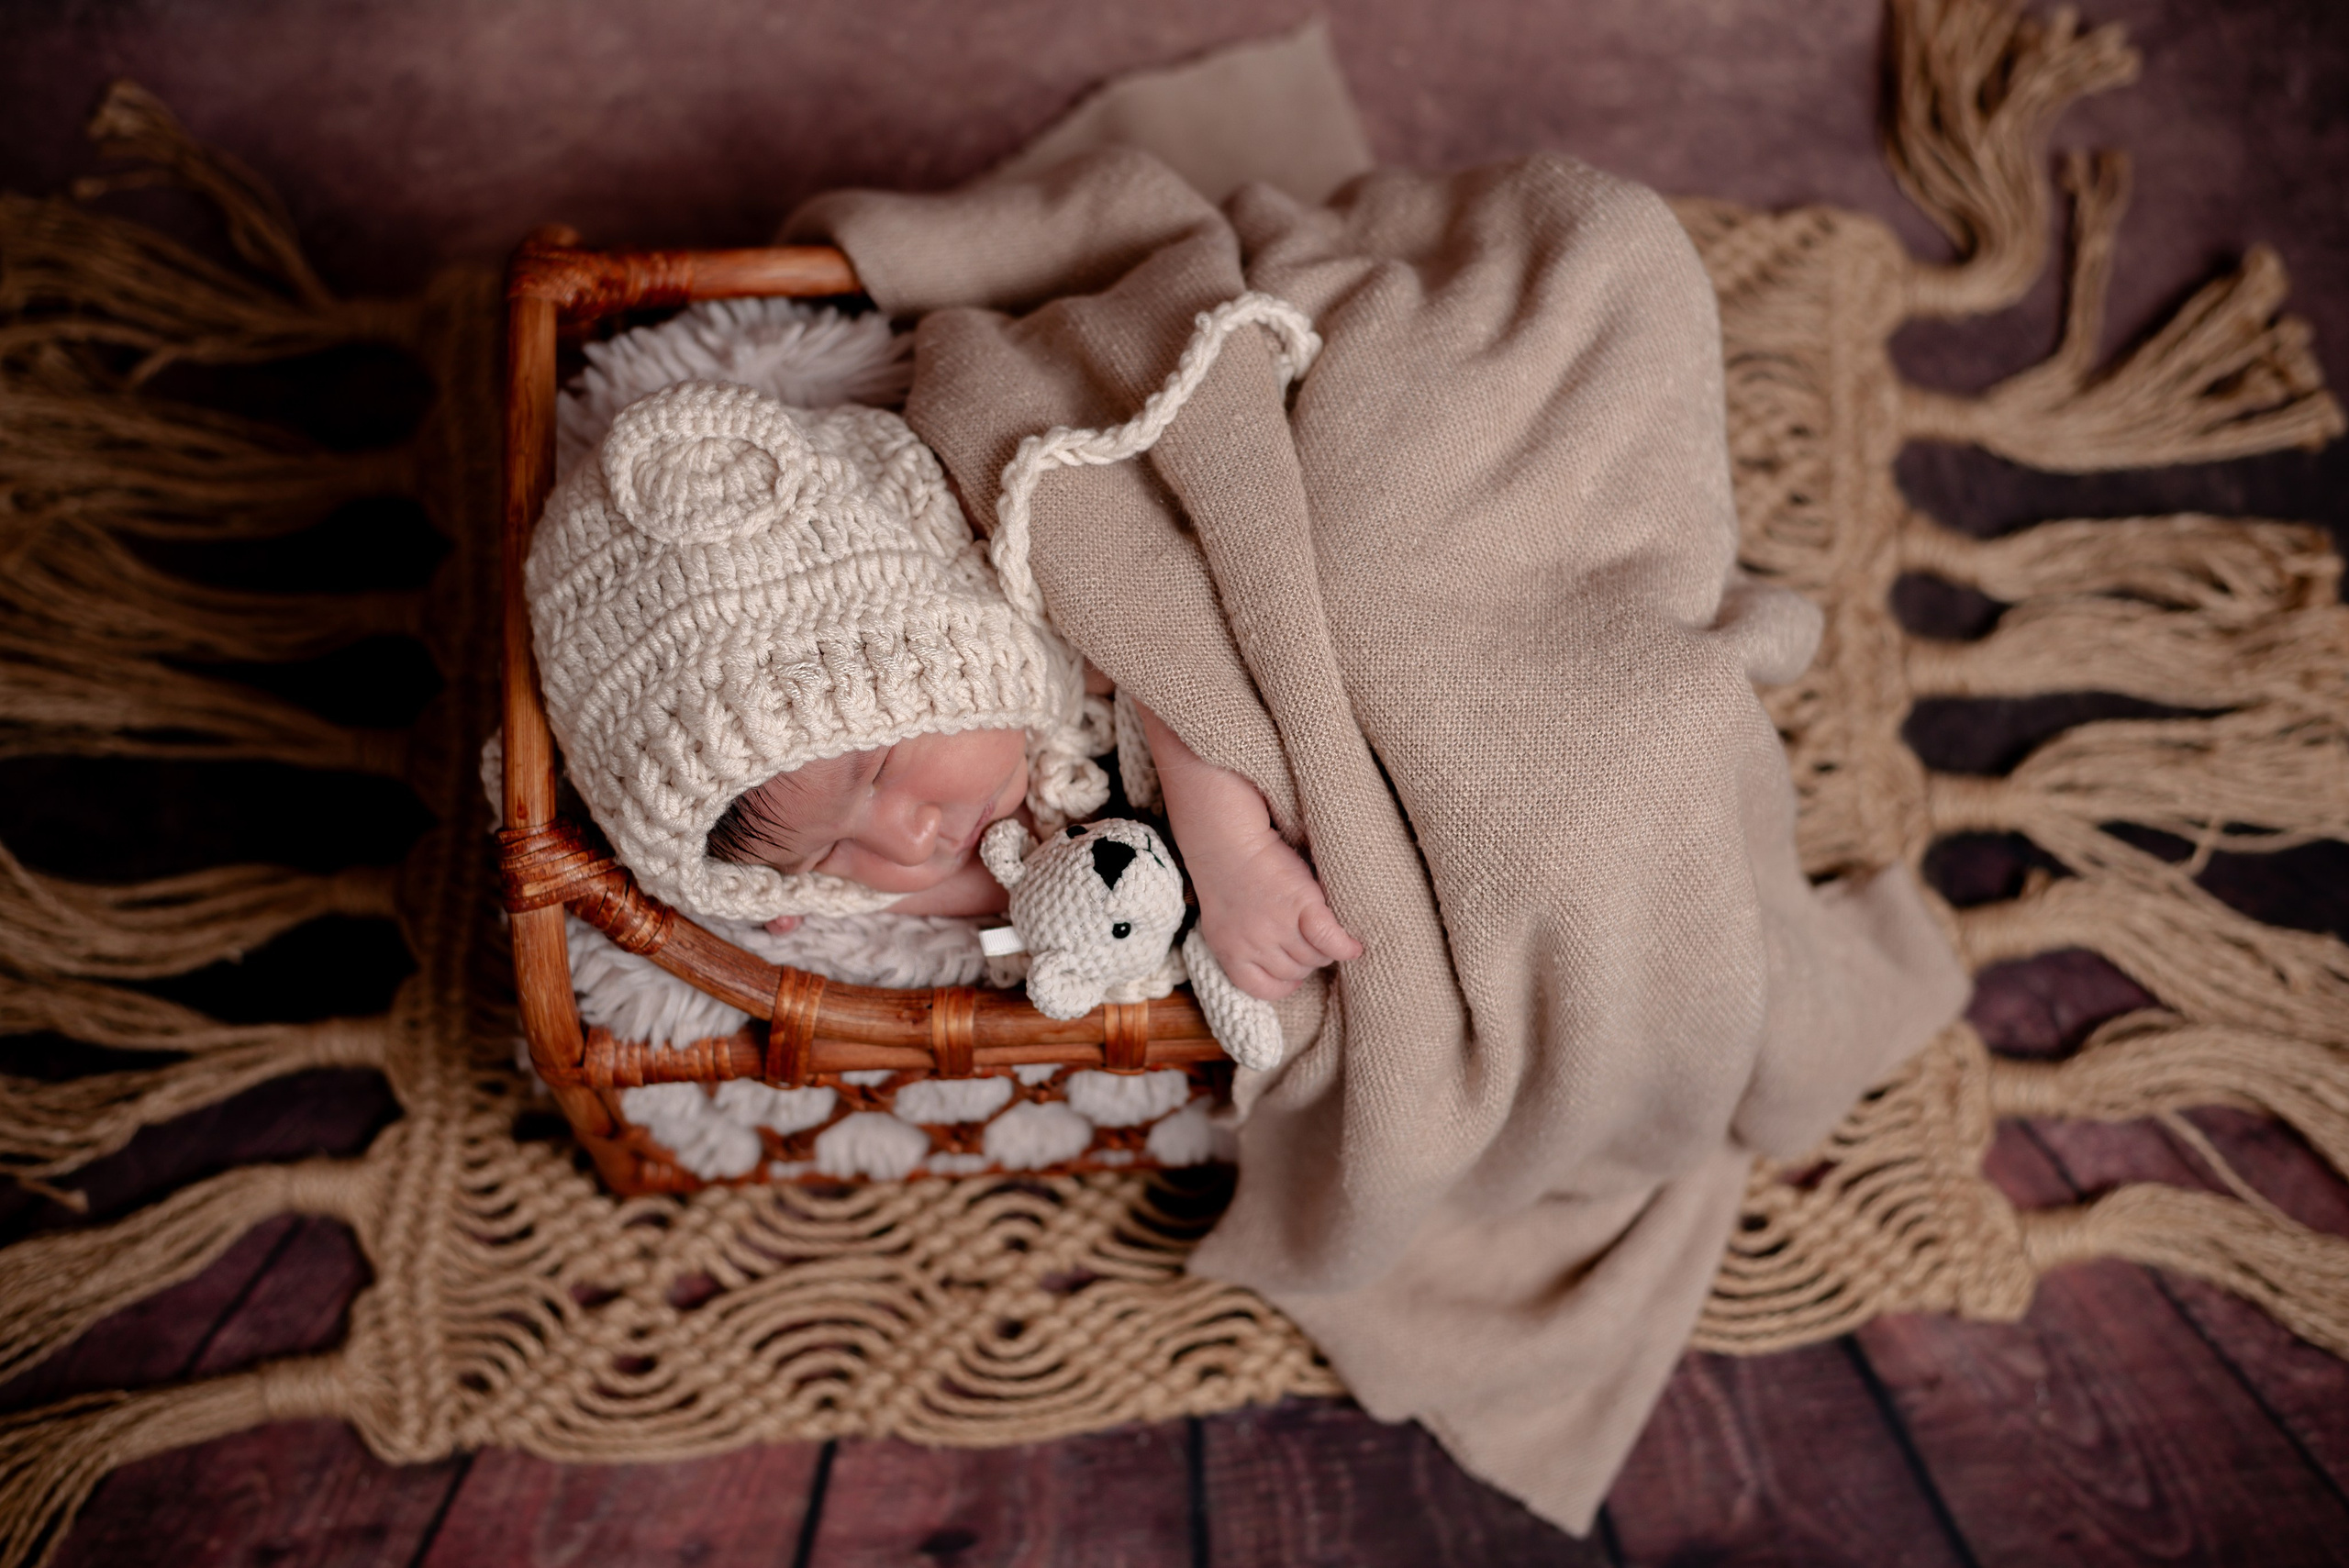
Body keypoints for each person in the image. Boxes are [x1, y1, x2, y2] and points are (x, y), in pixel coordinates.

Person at [525, 377, 1360, 1002]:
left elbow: (1173, 655)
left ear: (945, 646)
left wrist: (1232, 858)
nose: (905, 842)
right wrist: (844, 904)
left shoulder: (1055, 602)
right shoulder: (958, 826)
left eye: (882, 767)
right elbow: (1024, 891)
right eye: (828, 857)